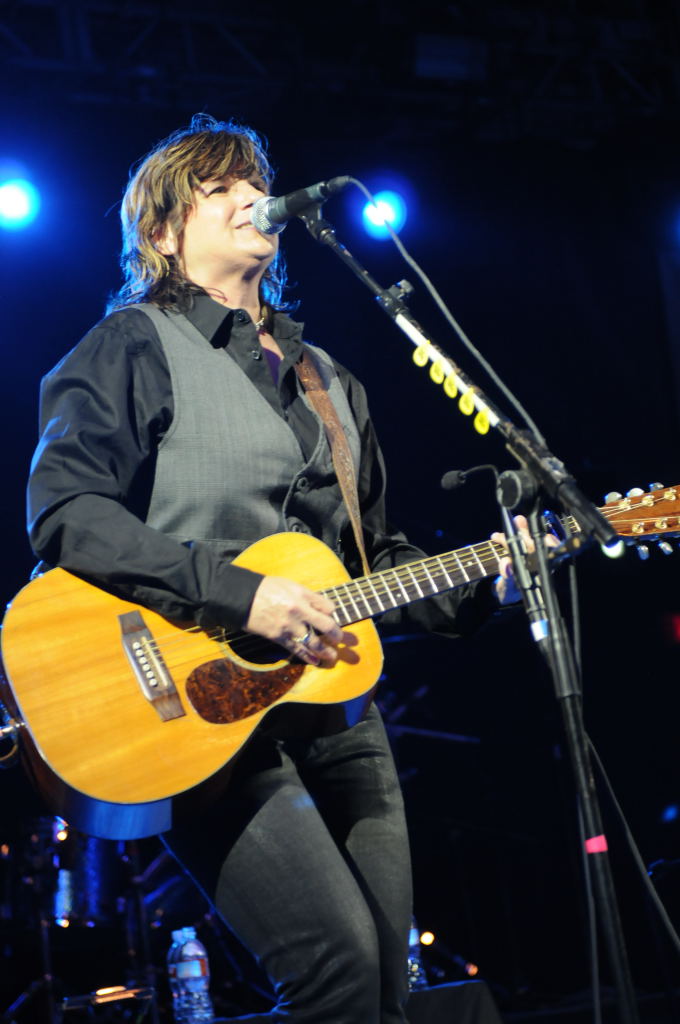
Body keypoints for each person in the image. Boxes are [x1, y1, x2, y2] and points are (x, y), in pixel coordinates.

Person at [27, 114, 523, 1023]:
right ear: (164, 235)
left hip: (337, 709)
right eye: (218, 188)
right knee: (337, 972)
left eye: (256, 183)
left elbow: (377, 562)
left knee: (387, 988)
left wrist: (492, 581)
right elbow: (65, 512)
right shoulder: (132, 344)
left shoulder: (332, 381)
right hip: (186, 702)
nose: (252, 197)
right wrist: (240, 594)